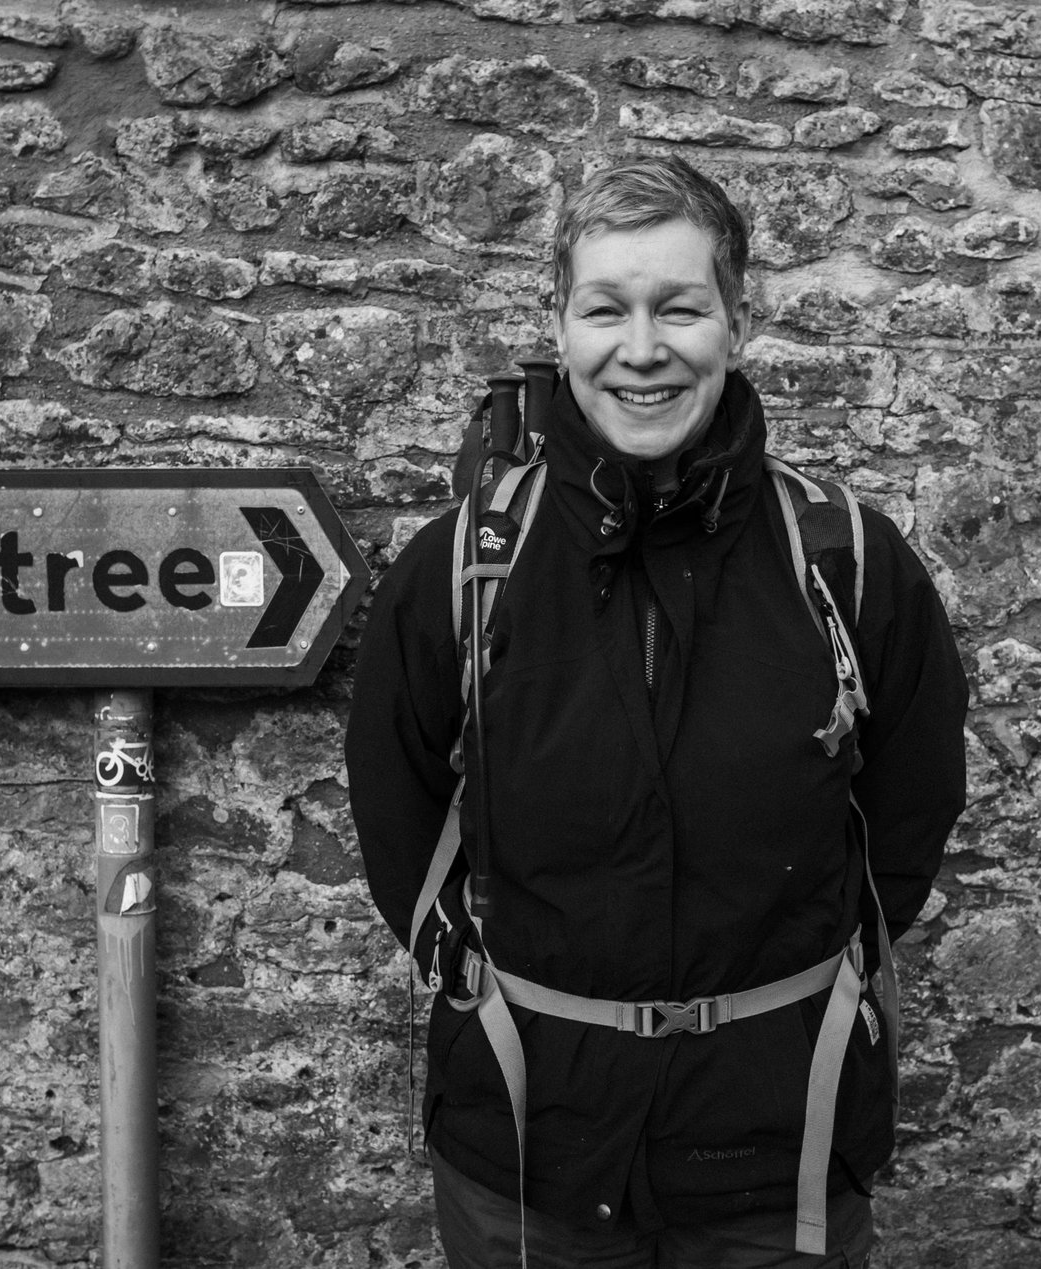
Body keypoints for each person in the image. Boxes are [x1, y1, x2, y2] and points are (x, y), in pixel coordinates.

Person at [346, 155, 968, 1269]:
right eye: (605, 310)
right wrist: (522, 1002)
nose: (641, 350)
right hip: (530, 1156)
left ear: (736, 320)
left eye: (678, 308)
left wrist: (777, 1005)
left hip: (776, 1156)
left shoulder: (851, 564)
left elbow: (904, 818)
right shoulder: (459, 569)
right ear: (561, 324)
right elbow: (401, 821)